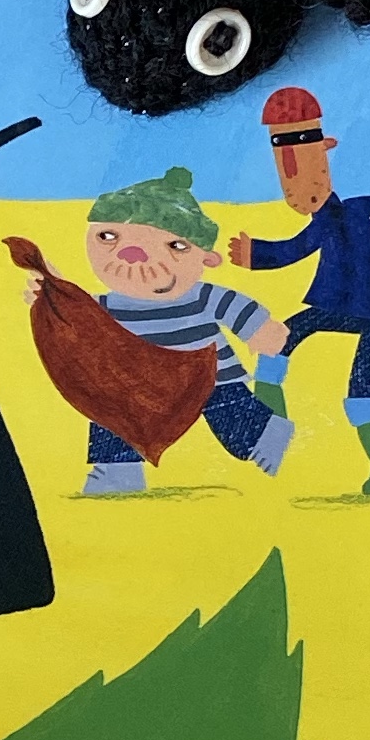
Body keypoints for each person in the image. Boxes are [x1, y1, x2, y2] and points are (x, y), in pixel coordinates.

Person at [226, 85, 370, 493]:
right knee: (279, 338)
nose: (300, 199)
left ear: (326, 156)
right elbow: (298, 245)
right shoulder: (325, 219)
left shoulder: (349, 211)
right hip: (341, 306)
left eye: (308, 188)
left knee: (361, 391)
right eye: (291, 193)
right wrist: (254, 254)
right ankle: (272, 419)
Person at [28, 166, 291, 494]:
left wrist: (260, 331)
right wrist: (52, 295)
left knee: (236, 426)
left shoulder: (201, 296)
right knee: (112, 411)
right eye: (108, 237)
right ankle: (117, 472)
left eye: (173, 245)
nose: (133, 255)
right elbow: (76, 314)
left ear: (206, 259)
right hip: (136, 385)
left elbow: (236, 309)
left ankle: (266, 432)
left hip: (210, 379)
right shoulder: (104, 306)